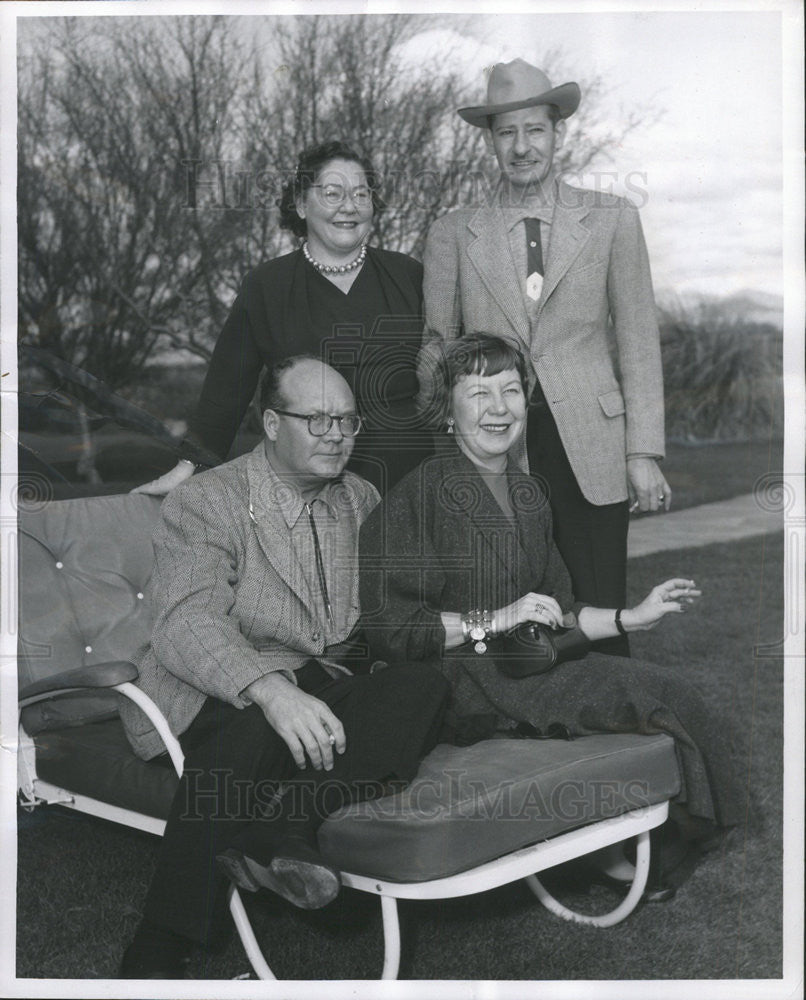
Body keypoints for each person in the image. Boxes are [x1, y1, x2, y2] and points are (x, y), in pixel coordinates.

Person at [360, 335, 739, 892]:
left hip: (528, 666)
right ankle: (663, 846)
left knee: (664, 689)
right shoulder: (418, 497)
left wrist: (631, 617)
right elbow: (391, 630)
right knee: (654, 695)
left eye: (511, 390)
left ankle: (668, 840)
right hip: (463, 683)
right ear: (446, 409)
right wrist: (496, 618)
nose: (499, 408)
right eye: (479, 392)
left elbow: (558, 608)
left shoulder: (530, 493)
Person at [118, 356, 449, 979]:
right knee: (259, 727)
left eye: (347, 421)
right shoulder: (208, 500)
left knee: (423, 688)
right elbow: (186, 621)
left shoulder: (361, 497)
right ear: (271, 423)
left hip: (319, 683)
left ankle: (280, 831)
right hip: (207, 690)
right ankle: (160, 943)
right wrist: (270, 690)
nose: (336, 434)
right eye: (316, 419)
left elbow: (384, 610)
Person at [421, 59, 670, 656]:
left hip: (593, 448)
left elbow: (638, 340)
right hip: (497, 452)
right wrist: (448, 433)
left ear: (558, 133)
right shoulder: (453, 234)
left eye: (534, 129)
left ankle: (617, 729)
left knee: (603, 608)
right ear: (490, 141)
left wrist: (643, 452)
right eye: (506, 132)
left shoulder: (612, 219)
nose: (521, 146)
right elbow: (436, 343)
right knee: (522, 619)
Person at [134, 140, 432, 498]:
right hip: (309, 483)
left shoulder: (409, 275)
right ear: (302, 204)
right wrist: (189, 467)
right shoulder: (267, 286)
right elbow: (227, 386)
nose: (349, 207)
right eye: (333, 193)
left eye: (361, 194)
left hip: (408, 479)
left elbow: (445, 370)